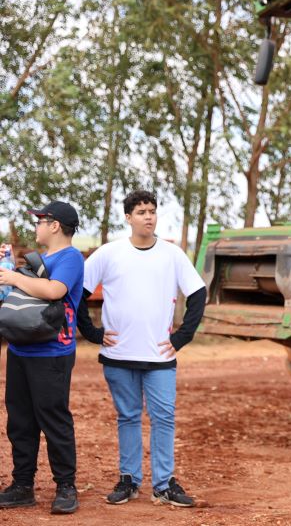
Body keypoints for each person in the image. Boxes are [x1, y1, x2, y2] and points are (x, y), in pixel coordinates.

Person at [77, 190, 207, 507]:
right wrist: (93, 333)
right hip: (118, 356)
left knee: (164, 418)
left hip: (160, 356)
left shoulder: (172, 254)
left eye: (152, 211)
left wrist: (180, 338)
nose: (148, 216)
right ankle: (129, 480)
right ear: (128, 217)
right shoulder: (109, 253)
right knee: (128, 417)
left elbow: (198, 293)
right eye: (141, 212)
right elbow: (77, 291)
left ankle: (163, 485)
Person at [0, 201, 87, 514]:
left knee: (54, 419)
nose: (36, 226)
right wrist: (8, 271)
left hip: (52, 352)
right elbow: (18, 296)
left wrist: (14, 278)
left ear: (55, 225)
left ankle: (66, 485)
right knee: (20, 421)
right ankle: (22, 485)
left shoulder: (70, 257)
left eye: (40, 221)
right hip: (21, 349)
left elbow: (54, 290)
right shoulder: (37, 260)